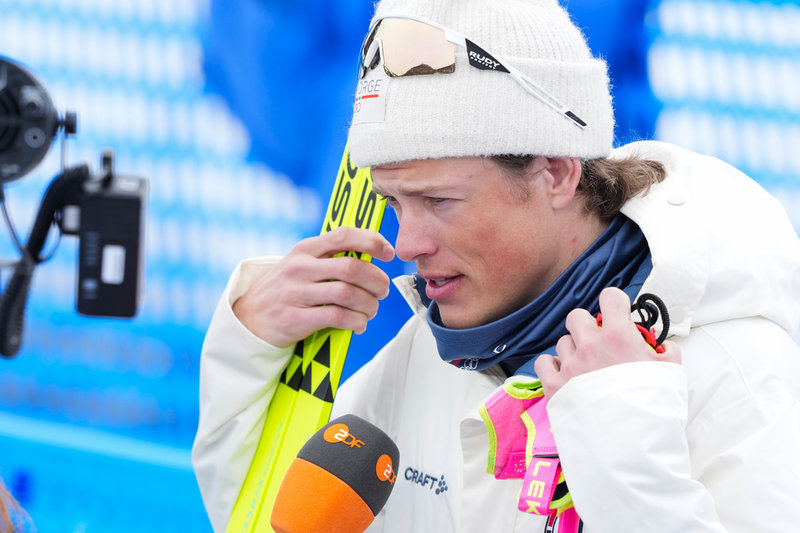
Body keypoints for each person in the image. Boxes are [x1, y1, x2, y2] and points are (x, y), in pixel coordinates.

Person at [192, 0, 800, 531]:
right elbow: (281, 523)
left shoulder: (731, 364)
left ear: (557, 172)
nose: (406, 243)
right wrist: (250, 354)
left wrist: (624, 450)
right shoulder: (432, 348)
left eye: (439, 201)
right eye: (394, 203)